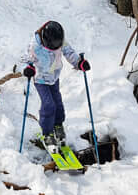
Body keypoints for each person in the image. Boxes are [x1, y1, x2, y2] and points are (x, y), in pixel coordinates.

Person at [22, 20, 90, 148]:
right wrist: (28, 68)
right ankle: (47, 133)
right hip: (41, 80)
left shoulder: (59, 40)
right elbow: (26, 59)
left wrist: (79, 63)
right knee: (49, 105)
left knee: (58, 102)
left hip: (54, 77)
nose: (56, 47)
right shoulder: (35, 45)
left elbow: (69, 52)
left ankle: (58, 125)